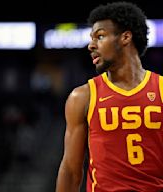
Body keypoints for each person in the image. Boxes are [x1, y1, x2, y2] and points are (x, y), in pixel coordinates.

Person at [55, 1, 163, 192]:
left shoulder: (161, 89)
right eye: (92, 38)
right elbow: (71, 171)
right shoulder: (82, 96)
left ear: (125, 37)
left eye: (100, 36)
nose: (91, 45)